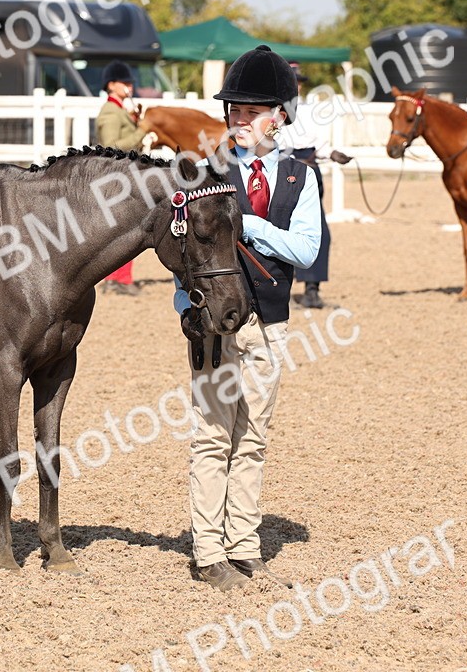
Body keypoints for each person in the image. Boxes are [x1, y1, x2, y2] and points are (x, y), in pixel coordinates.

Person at [175, 46, 322, 591]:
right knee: (213, 435)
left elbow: (306, 251)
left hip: (271, 322)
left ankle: (245, 543)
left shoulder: (300, 179)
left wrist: (251, 229)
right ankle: (208, 550)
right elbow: (186, 247)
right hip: (214, 324)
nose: (238, 118)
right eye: (233, 109)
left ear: (278, 116)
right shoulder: (205, 172)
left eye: (250, 110)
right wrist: (186, 303)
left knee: (254, 436)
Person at [278, 61, 352, 309]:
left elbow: (320, 144)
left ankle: (312, 288)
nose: (296, 87)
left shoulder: (311, 111)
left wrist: (333, 154)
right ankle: (278, 288)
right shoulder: (272, 114)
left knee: (317, 229)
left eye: (297, 83)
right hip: (280, 167)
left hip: (309, 168)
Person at [96, 60, 145, 295]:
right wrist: (142, 131)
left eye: (129, 82)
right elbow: (110, 146)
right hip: (117, 176)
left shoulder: (119, 110)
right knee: (126, 228)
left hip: (122, 175)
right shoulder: (111, 112)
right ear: (112, 84)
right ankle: (120, 279)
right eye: (124, 82)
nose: (129, 86)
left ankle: (118, 278)